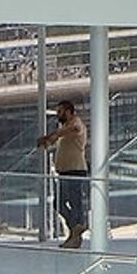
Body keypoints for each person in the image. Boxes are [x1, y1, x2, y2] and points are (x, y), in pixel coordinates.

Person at [46, 99, 91, 249]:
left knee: (72, 201)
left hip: (75, 170)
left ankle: (77, 228)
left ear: (69, 112)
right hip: (65, 171)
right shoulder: (65, 127)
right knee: (60, 202)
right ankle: (75, 230)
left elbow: (75, 130)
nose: (58, 114)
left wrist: (55, 134)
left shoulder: (76, 124)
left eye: (60, 111)